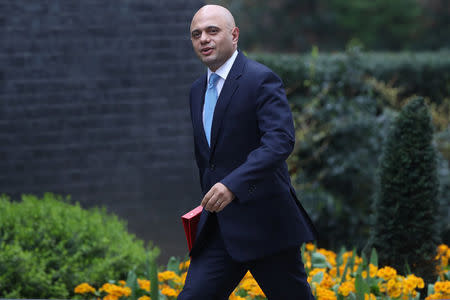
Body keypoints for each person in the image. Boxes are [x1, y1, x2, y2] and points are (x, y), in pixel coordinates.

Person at [178, 5, 317, 299]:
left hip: (267, 226)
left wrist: (232, 184)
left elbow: (280, 140)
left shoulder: (260, 79)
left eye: (212, 31)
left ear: (235, 34)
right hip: (218, 229)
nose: (204, 38)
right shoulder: (196, 91)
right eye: (196, 34)